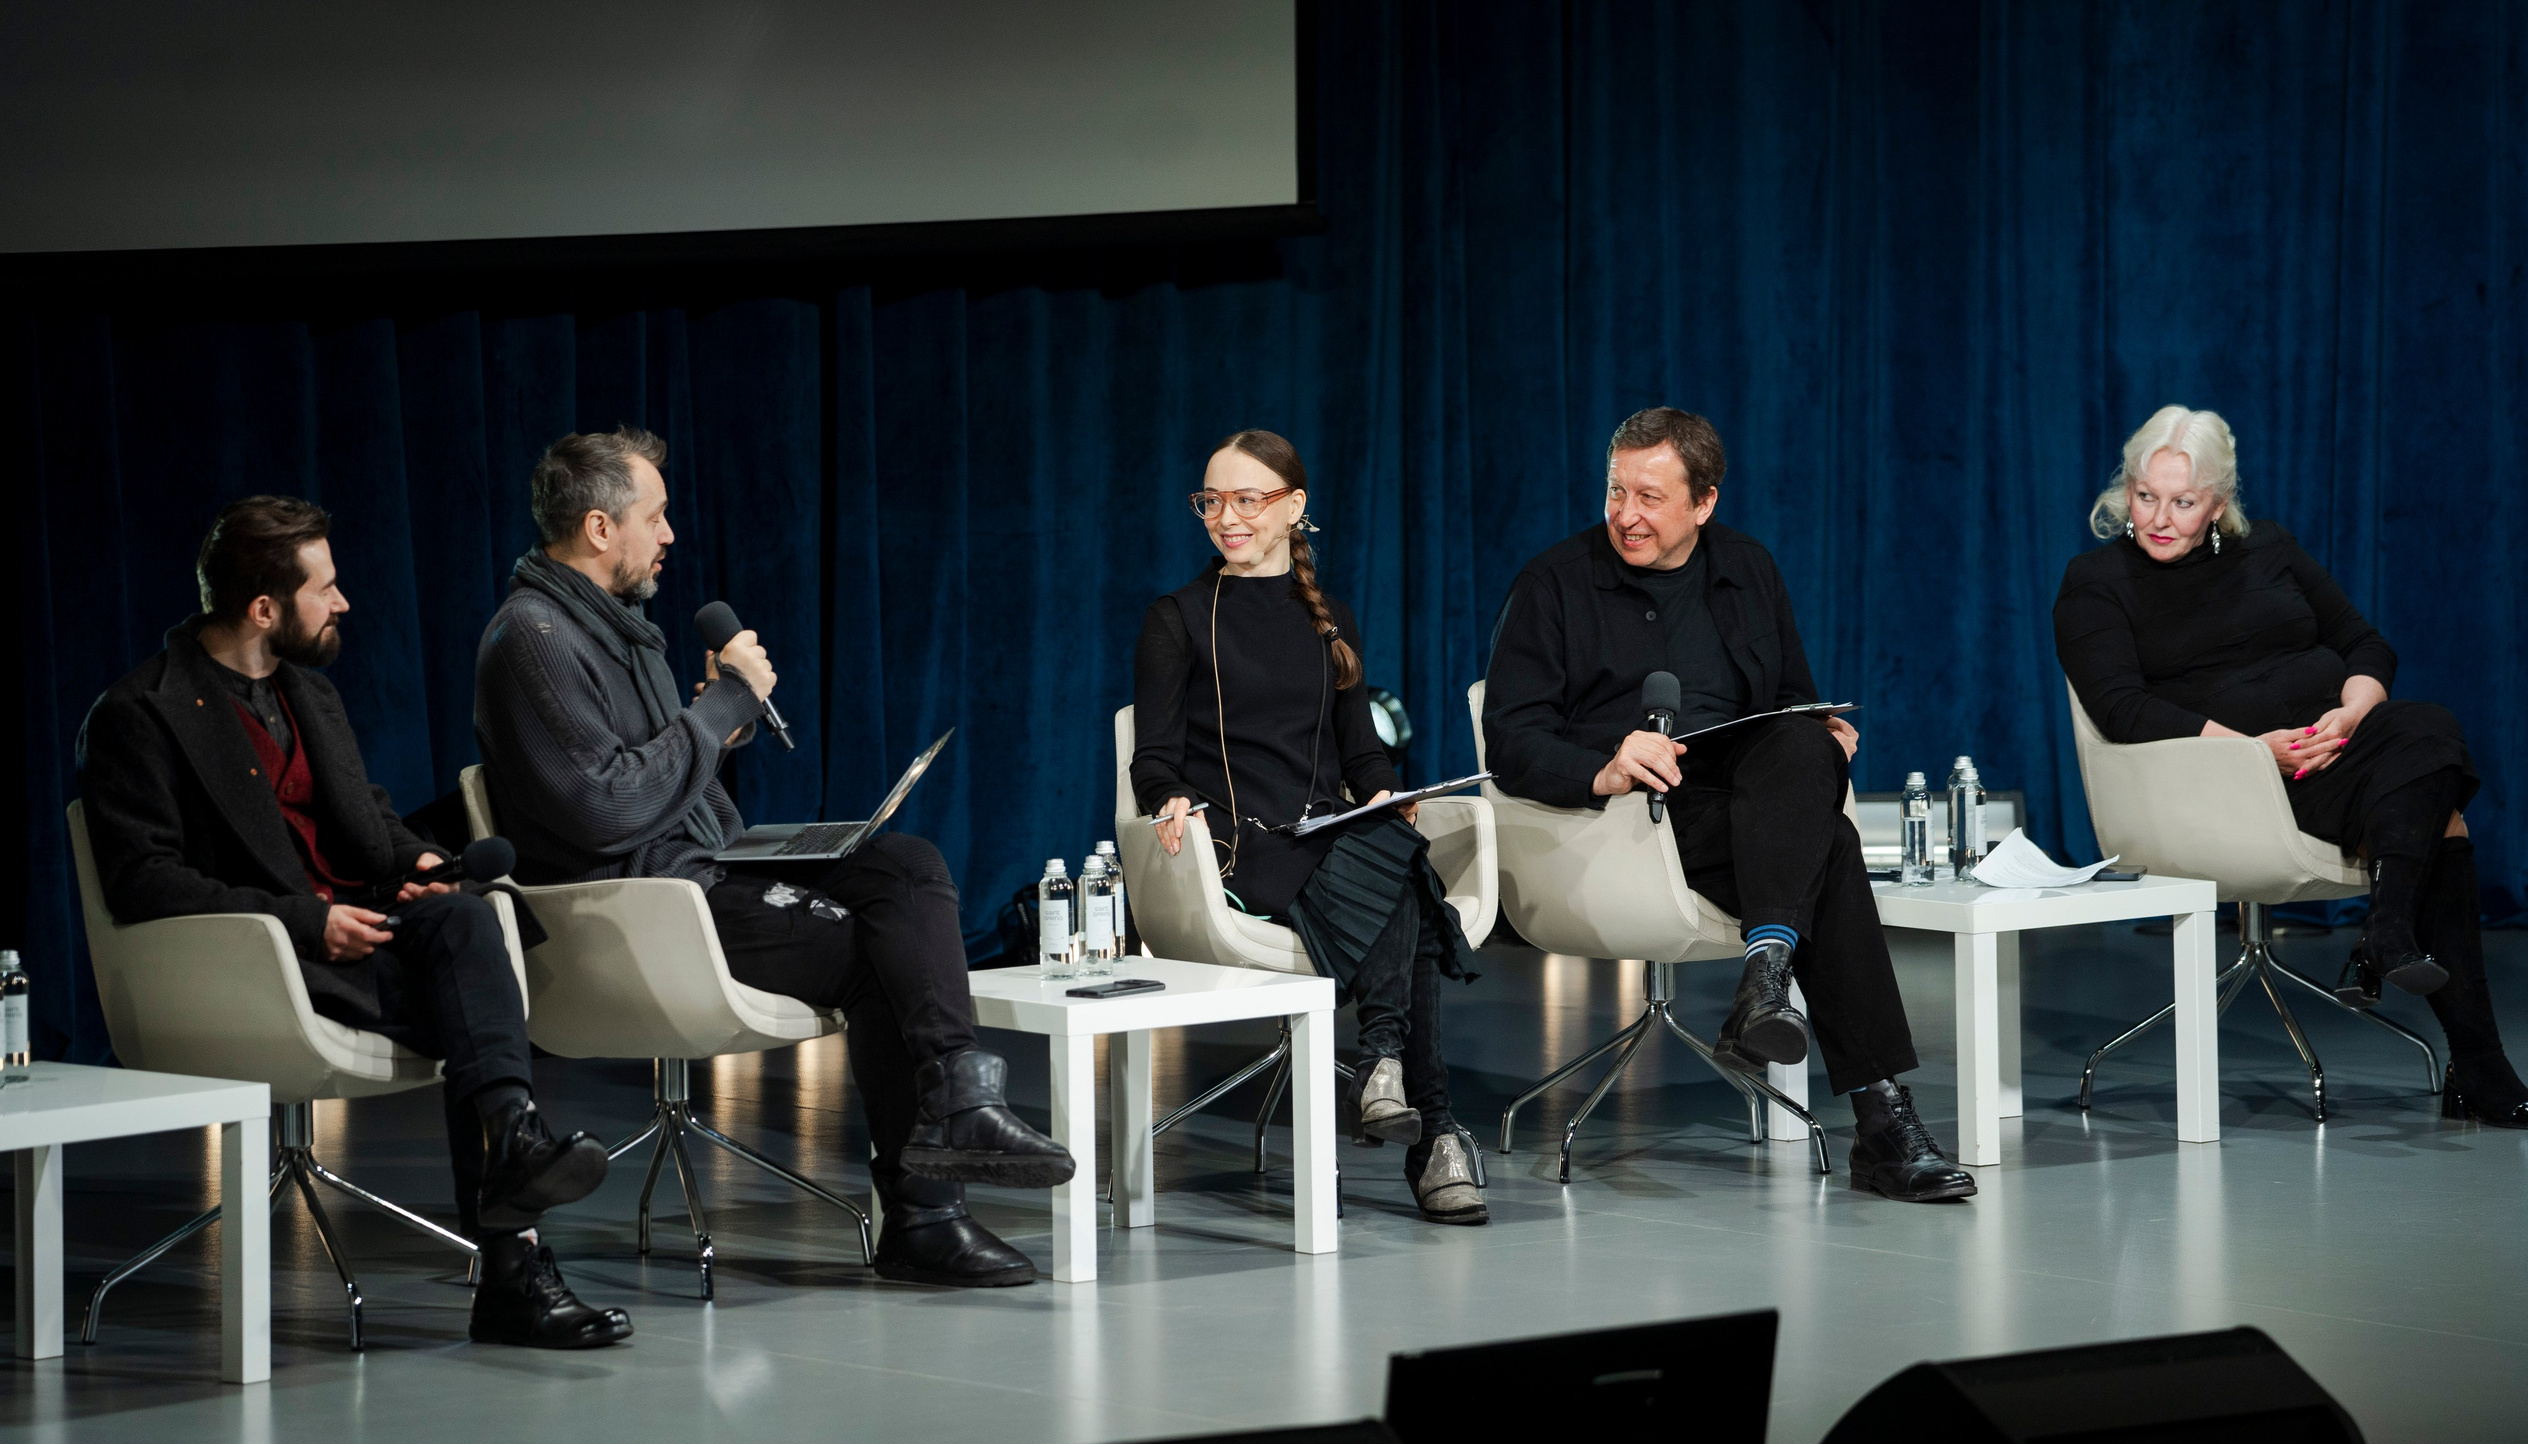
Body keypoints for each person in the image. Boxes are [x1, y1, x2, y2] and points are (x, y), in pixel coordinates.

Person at [473, 428, 1076, 1288]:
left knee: (901, 863)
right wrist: (721, 706)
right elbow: (609, 811)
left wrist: (724, 725)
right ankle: (926, 1215)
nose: (671, 534)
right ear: (601, 528)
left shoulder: (622, 630)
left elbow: (659, 779)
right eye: (658, 516)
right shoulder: (531, 636)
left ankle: (961, 1097)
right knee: (880, 954)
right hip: (639, 908)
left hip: (700, 869)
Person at [76, 497, 630, 1347]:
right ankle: (514, 1262)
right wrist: (307, 920)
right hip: (256, 965)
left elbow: (368, 820)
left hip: (356, 943)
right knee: (472, 988)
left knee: (467, 916)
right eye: (324, 588)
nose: (342, 603)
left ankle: (514, 1153)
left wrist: (412, 865)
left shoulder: (310, 694)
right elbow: (145, 882)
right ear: (264, 608)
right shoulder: (139, 714)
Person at [1481, 407, 1975, 1201]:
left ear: (1704, 504)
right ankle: (1878, 1115)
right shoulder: (1553, 585)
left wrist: (1824, 733)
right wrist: (1604, 765)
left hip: (1748, 807)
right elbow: (1508, 737)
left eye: (1649, 497)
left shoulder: (1747, 566)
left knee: (1807, 746)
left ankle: (1766, 978)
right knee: (1834, 851)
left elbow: (1791, 698)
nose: (1625, 515)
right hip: (1627, 822)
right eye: (1616, 492)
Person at [2054, 405, 2528, 1129]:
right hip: (2224, 785)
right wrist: (2254, 751)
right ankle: (2474, 1061)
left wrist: (2349, 717)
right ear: (2125, 489)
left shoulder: (2272, 549)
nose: (2160, 516)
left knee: (2429, 726)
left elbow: (2365, 644)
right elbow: (2121, 708)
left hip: (2335, 753)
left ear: (2218, 504)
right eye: (2145, 495)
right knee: (2441, 817)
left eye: (2184, 502)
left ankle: (2389, 932)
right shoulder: (2095, 580)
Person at [1130, 430, 1488, 1224]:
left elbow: (1364, 753)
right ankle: (1422, 1114)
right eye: (1211, 499)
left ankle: (1388, 1070)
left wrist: (1389, 794)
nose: (1227, 516)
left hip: (1333, 835)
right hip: (1240, 842)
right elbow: (1151, 756)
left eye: (1247, 499)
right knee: (1401, 877)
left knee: (1388, 845)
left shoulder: (1329, 617)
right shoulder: (1178, 617)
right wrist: (1167, 797)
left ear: (1293, 508)